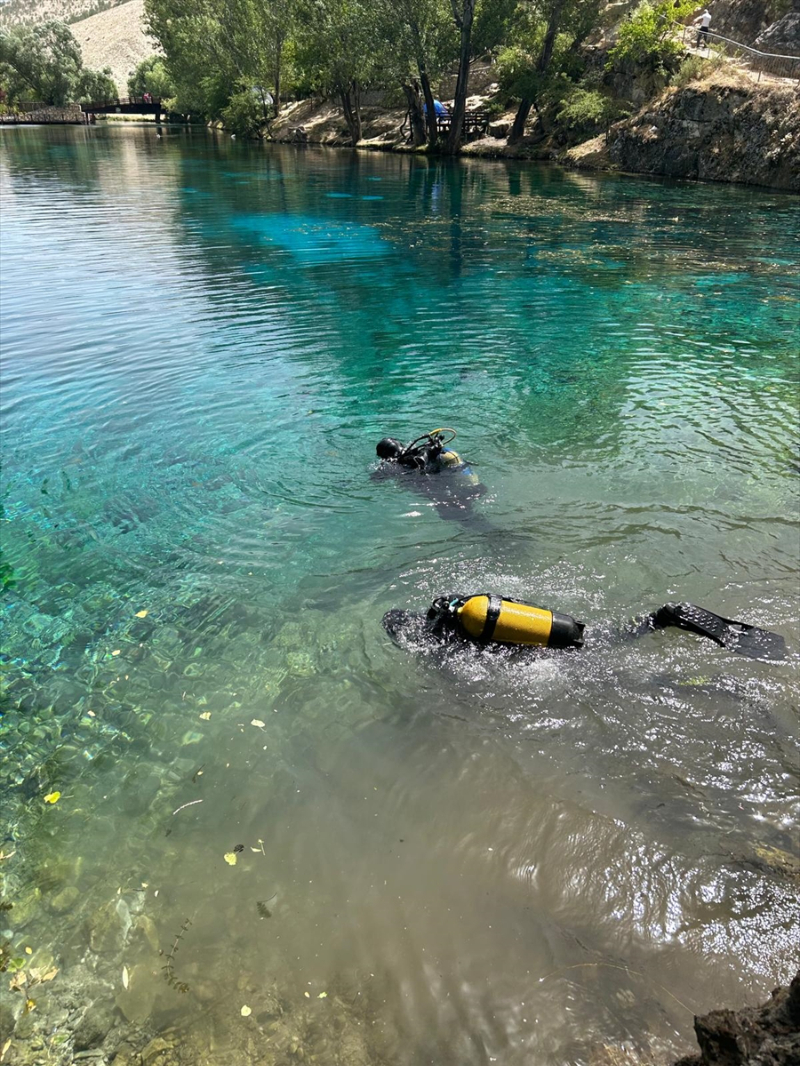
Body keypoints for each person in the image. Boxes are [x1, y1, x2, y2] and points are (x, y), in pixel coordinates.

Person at [383, 593, 786, 661]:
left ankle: (668, 616)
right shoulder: (455, 607)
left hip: (564, 652)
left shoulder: (445, 643)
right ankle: (664, 616)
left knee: (607, 648)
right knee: (609, 634)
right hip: (563, 626)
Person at [373, 429, 491, 529]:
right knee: (467, 516)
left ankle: (495, 536)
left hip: (442, 490)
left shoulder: (397, 464)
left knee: (458, 516)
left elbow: (376, 479)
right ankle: (492, 533)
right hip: (454, 478)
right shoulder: (419, 451)